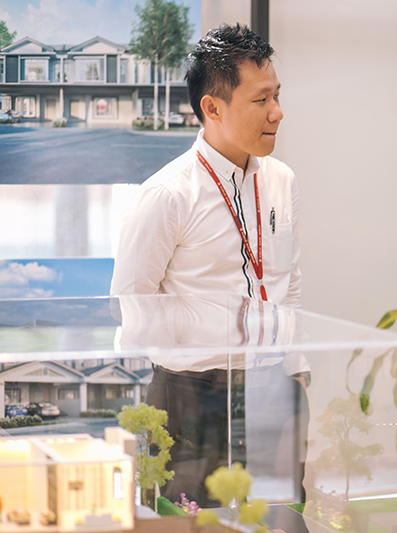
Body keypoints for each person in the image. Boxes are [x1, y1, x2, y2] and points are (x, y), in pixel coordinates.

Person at [110, 24, 307, 511]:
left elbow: (289, 281)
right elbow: (130, 304)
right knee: (189, 520)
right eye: (261, 100)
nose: (277, 112)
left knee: (280, 518)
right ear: (213, 108)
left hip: (271, 386)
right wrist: (207, 341)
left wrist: (295, 370)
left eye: (277, 95)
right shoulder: (166, 194)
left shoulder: (281, 180)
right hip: (191, 396)